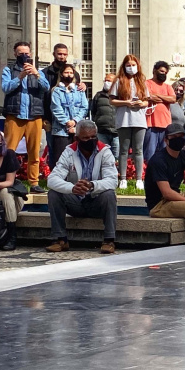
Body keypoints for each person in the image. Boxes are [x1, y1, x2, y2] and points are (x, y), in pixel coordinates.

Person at [45, 120, 119, 254]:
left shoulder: (105, 152)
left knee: (109, 194)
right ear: (77, 138)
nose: (90, 140)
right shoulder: (69, 152)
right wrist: (72, 188)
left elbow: (113, 181)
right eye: (85, 138)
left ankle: (109, 240)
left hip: (97, 201)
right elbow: (52, 179)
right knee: (53, 193)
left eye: (93, 137)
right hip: (75, 202)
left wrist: (92, 185)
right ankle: (60, 239)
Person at [1, 41, 49, 194]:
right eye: (21, 53)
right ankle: (8, 180)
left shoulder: (38, 71)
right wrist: (20, 77)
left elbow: (46, 87)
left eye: (27, 53)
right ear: (15, 54)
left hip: (34, 116)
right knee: (9, 151)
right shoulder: (9, 69)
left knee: (34, 152)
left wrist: (36, 74)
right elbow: (5, 87)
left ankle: (34, 183)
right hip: (15, 116)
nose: (24, 55)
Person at [110, 54, 149, 190]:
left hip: (139, 119)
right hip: (124, 119)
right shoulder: (119, 81)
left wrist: (141, 103)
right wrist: (126, 102)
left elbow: (147, 101)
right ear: (124, 67)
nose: (131, 68)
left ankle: (139, 179)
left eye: (133, 65)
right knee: (123, 150)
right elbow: (112, 100)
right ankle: (123, 179)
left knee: (138, 150)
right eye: (128, 65)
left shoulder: (142, 81)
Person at [49, 63, 89, 167]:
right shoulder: (56, 91)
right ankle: (60, 181)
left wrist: (75, 121)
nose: (69, 75)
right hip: (60, 131)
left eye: (71, 72)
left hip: (77, 130)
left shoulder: (79, 90)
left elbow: (84, 107)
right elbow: (56, 108)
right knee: (61, 158)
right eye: (66, 72)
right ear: (61, 74)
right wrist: (67, 122)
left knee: (78, 158)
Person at [143, 61, 176, 163]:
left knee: (165, 153)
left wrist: (158, 96)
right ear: (154, 71)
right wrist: (165, 98)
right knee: (150, 153)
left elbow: (173, 99)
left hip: (166, 125)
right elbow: (148, 96)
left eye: (165, 72)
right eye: (161, 71)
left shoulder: (168, 87)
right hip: (150, 124)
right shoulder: (147, 83)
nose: (163, 74)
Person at [92, 74, 119, 161]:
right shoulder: (98, 96)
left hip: (117, 133)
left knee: (117, 157)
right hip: (102, 131)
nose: (107, 83)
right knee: (102, 155)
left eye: (109, 81)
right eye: (106, 81)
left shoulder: (120, 96)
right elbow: (93, 111)